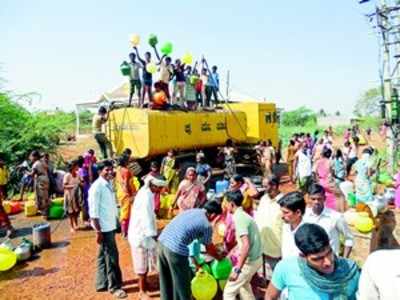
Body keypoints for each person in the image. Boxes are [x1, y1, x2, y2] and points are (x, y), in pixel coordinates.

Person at [265, 223, 360, 300]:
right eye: (318, 259)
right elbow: (270, 296)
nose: (328, 262)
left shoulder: (350, 272)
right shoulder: (287, 268)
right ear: (303, 256)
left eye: (329, 253)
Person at [158, 201, 223, 300]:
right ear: (213, 214)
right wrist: (219, 257)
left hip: (162, 243)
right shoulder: (206, 225)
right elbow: (209, 248)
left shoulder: (194, 211)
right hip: (175, 250)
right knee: (183, 285)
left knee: (166, 280)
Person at [88, 160, 127, 299]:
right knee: (111, 257)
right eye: (106, 170)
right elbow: (93, 213)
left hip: (109, 225)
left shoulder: (108, 184)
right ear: (99, 171)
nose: (110, 172)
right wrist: (98, 231)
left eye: (111, 169)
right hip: (103, 228)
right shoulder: (96, 187)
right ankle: (114, 287)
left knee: (102, 256)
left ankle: (101, 283)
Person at [128, 175, 166, 300]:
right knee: (141, 263)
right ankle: (142, 291)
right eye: (159, 188)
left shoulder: (147, 192)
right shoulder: (145, 197)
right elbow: (146, 218)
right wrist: (154, 234)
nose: (160, 190)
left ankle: (145, 285)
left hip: (144, 232)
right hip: (140, 234)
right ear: (154, 185)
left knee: (146, 260)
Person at [223, 191, 262, 300]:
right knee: (244, 287)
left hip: (249, 262)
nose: (225, 206)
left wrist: (237, 270)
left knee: (229, 292)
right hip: (256, 259)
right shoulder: (243, 215)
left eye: (226, 203)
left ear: (231, 204)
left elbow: (246, 245)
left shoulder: (239, 218)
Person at [304, 184, 353, 258]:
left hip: (331, 263)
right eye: (313, 199)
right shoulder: (304, 216)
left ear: (324, 198)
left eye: (319, 199)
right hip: (310, 262)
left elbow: (349, 238)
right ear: (308, 199)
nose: (316, 202)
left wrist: (344, 259)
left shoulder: (335, 217)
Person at [255, 175, 284, 277]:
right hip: (262, 245)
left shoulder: (284, 202)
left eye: (265, 186)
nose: (263, 189)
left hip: (277, 247)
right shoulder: (263, 199)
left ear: (274, 186)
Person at [279, 191, 305, 258]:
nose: (282, 216)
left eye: (286, 212)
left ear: (298, 212)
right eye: (282, 212)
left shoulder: (308, 232)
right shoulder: (285, 227)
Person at [115, 155, 136, 238]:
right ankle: (125, 233)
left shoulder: (118, 169)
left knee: (124, 211)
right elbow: (126, 183)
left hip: (120, 193)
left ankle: (125, 231)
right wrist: (131, 194)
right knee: (126, 213)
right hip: (126, 194)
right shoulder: (126, 171)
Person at [29, 151, 50, 219]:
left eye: (31, 156)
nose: (30, 158)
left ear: (35, 157)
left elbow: (32, 174)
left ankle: (45, 214)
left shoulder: (36, 164)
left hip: (40, 180)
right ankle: (45, 211)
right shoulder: (42, 161)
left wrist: (25, 171)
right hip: (46, 178)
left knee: (42, 196)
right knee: (45, 195)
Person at [63, 160, 82, 233]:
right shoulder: (67, 175)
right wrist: (74, 186)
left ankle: (76, 224)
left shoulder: (78, 174)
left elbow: (80, 182)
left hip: (76, 195)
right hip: (69, 196)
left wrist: (81, 184)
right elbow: (64, 186)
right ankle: (72, 227)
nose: (78, 167)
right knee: (70, 212)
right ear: (73, 167)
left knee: (76, 211)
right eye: (76, 166)